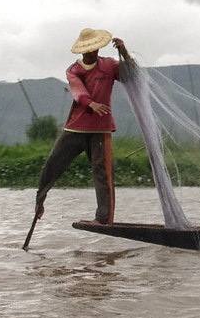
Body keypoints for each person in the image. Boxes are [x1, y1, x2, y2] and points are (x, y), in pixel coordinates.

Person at [34, 28, 130, 225]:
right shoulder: (73, 70)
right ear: (82, 51)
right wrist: (91, 104)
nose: (93, 52)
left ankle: (103, 218)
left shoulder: (109, 66)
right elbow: (78, 92)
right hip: (76, 127)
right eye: (89, 49)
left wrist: (124, 52)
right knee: (53, 163)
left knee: (102, 172)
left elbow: (130, 75)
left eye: (96, 48)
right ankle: (40, 201)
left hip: (100, 129)